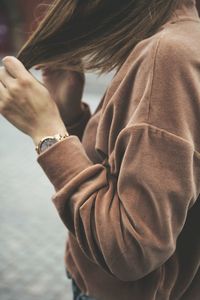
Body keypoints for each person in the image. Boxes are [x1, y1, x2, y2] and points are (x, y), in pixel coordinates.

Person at [0, 0, 200, 299]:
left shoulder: (168, 55)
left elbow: (131, 248)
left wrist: (47, 131)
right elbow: (127, 174)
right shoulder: (172, 40)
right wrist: (69, 118)